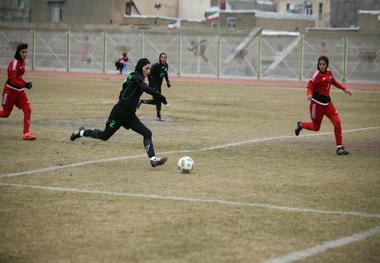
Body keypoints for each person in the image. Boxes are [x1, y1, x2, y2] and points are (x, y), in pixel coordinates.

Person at [70, 58, 168, 167]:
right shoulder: (136, 76)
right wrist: (160, 96)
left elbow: (134, 88)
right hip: (118, 113)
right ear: (141, 68)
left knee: (147, 133)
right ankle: (80, 132)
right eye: (147, 68)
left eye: (149, 68)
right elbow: (144, 88)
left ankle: (153, 160)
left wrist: (157, 99)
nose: (149, 71)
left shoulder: (136, 78)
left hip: (130, 116)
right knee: (104, 136)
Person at [294, 56, 352, 155]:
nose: (322, 66)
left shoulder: (329, 73)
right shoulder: (316, 75)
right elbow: (309, 86)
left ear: (327, 64)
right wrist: (309, 94)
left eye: (323, 64)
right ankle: (301, 125)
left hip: (327, 104)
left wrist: (344, 88)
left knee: (337, 123)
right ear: (318, 65)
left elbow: (333, 82)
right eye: (320, 64)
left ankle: (339, 148)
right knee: (316, 128)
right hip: (316, 105)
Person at [0, 43, 36, 140]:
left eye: (26, 52)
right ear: (18, 52)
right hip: (9, 91)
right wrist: (25, 84)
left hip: (19, 92)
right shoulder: (14, 63)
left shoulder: (22, 62)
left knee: (28, 109)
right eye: (23, 52)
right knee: (5, 114)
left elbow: (19, 78)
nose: (25, 54)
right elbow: (13, 80)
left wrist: (26, 83)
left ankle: (26, 134)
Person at [138, 52, 171, 121]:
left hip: (159, 86)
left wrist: (167, 82)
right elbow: (149, 73)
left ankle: (142, 101)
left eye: (164, 57)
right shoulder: (156, 66)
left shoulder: (166, 65)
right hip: (153, 86)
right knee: (159, 100)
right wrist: (151, 82)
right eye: (162, 57)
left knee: (156, 101)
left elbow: (165, 74)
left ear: (166, 58)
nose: (163, 58)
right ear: (159, 58)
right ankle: (158, 116)